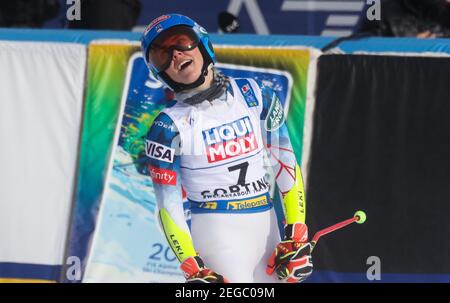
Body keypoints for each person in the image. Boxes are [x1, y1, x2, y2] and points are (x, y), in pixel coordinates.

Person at [140, 13, 313, 283]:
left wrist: (297, 233)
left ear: (203, 45)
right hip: (218, 236)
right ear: (159, 72)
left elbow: (286, 165)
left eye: (181, 42)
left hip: (268, 230)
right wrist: (192, 266)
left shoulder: (256, 94)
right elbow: (168, 206)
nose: (174, 54)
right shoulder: (167, 127)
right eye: (161, 55)